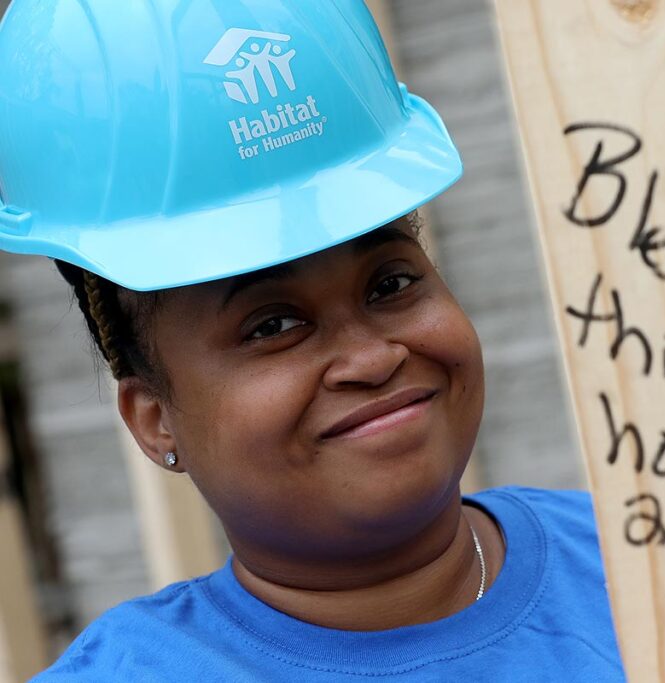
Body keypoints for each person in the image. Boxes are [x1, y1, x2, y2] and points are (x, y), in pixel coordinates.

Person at [0, 0, 625, 680]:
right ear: (154, 418)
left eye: (389, 283)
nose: (372, 355)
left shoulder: (659, 554)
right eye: (271, 325)